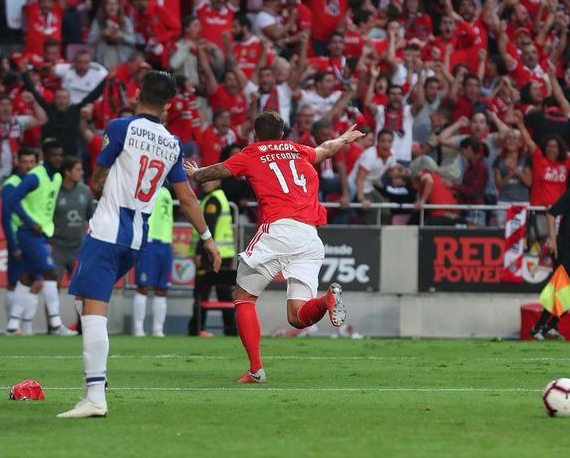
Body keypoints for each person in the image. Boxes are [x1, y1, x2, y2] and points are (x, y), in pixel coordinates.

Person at [58, 71, 221, 418]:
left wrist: (99, 187)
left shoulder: (121, 127)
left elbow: (98, 177)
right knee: (82, 300)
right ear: (169, 104)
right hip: (136, 238)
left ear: (136, 93)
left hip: (107, 229)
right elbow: (187, 198)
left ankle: (95, 395)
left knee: (92, 308)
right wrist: (208, 239)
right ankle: (98, 382)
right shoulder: (173, 143)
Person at [186, 111, 365, 384]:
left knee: (243, 297)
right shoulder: (297, 149)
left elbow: (216, 172)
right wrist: (344, 138)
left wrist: (195, 172)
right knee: (297, 316)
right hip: (310, 235)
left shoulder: (251, 153)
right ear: (283, 134)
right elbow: (326, 149)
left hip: (279, 230)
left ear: (255, 134)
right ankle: (326, 299)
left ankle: (256, 369)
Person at [6, 139, 75, 336]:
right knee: (50, 273)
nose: (57, 159)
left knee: (28, 278)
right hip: (28, 232)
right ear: (45, 157)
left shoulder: (58, 178)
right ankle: (55, 324)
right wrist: (29, 221)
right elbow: (13, 200)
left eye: (60, 155)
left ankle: (12, 325)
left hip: (42, 232)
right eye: (53, 155)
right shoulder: (35, 177)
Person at [531, 161, 570, 340]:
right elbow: (552, 213)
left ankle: (550, 326)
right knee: (560, 288)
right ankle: (539, 327)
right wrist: (552, 239)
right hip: (564, 244)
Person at [190, 179, 237, 337]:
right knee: (225, 294)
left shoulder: (212, 200)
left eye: (209, 180)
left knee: (201, 292)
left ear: (218, 182)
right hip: (225, 254)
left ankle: (197, 328)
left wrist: (199, 252)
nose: (205, 183)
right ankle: (231, 329)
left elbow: (208, 228)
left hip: (211, 255)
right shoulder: (221, 198)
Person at [1, 147, 39, 328]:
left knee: (36, 280)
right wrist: (13, 243)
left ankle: (26, 325)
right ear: (18, 162)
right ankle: (12, 324)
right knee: (13, 282)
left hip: (34, 238)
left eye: (32, 162)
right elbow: (6, 216)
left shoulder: (36, 182)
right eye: (24, 162)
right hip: (18, 237)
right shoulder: (11, 184)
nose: (28, 166)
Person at [132, 186, 174, 338]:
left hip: (165, 242)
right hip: (148, 241)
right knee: (143, 286)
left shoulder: (167, 192)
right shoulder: (145, 187)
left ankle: (158, 329)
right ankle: (138, 328)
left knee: (162, 288)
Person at [51, 157, 95, 286]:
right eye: (78, 169)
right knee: (53, 285)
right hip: (57, 247)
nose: (82, 172)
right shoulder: (54, 191)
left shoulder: (85, 191)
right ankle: (53, 307)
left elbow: (92, 218)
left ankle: (80, 308)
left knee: (82, 287)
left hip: (79, 247)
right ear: (67, 172)